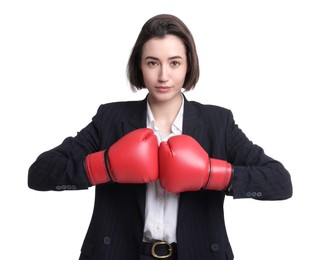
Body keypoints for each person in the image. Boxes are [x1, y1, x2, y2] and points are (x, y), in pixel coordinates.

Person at [28, 14, 293, 260]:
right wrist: (105, 166)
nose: (163, 76)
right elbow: (39, 174)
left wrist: (212, 174)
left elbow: (280, 183)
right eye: (152, 63)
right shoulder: (110, 118)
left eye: (174, 63)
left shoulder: (217, 123)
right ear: (139, 66)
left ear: (188, 65)